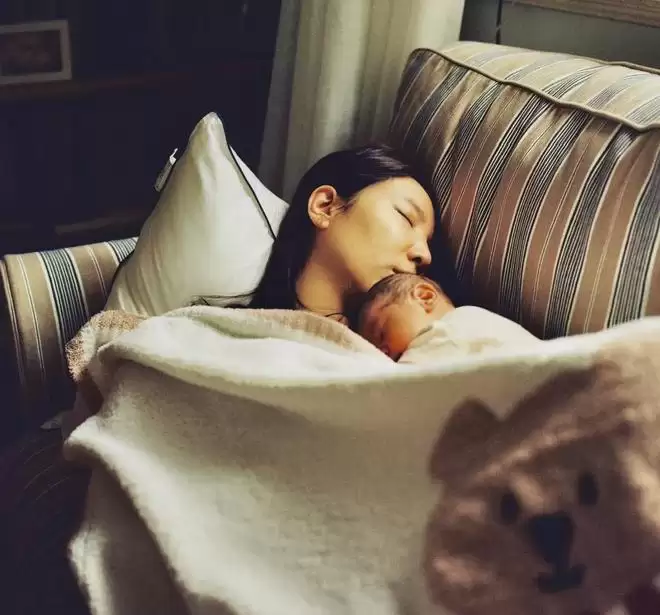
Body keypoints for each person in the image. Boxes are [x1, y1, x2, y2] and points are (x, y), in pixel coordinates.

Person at [249, 143, 460, 321]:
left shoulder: (416, 352)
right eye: (406, 217)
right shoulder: (238, 333)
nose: (425, 256)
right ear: (325, 206)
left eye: (427, 241)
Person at [355, 272, 540, 362]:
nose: (382, 353)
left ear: (424, 297)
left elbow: (404, 386)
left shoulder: (451, 328)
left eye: (381, 333)